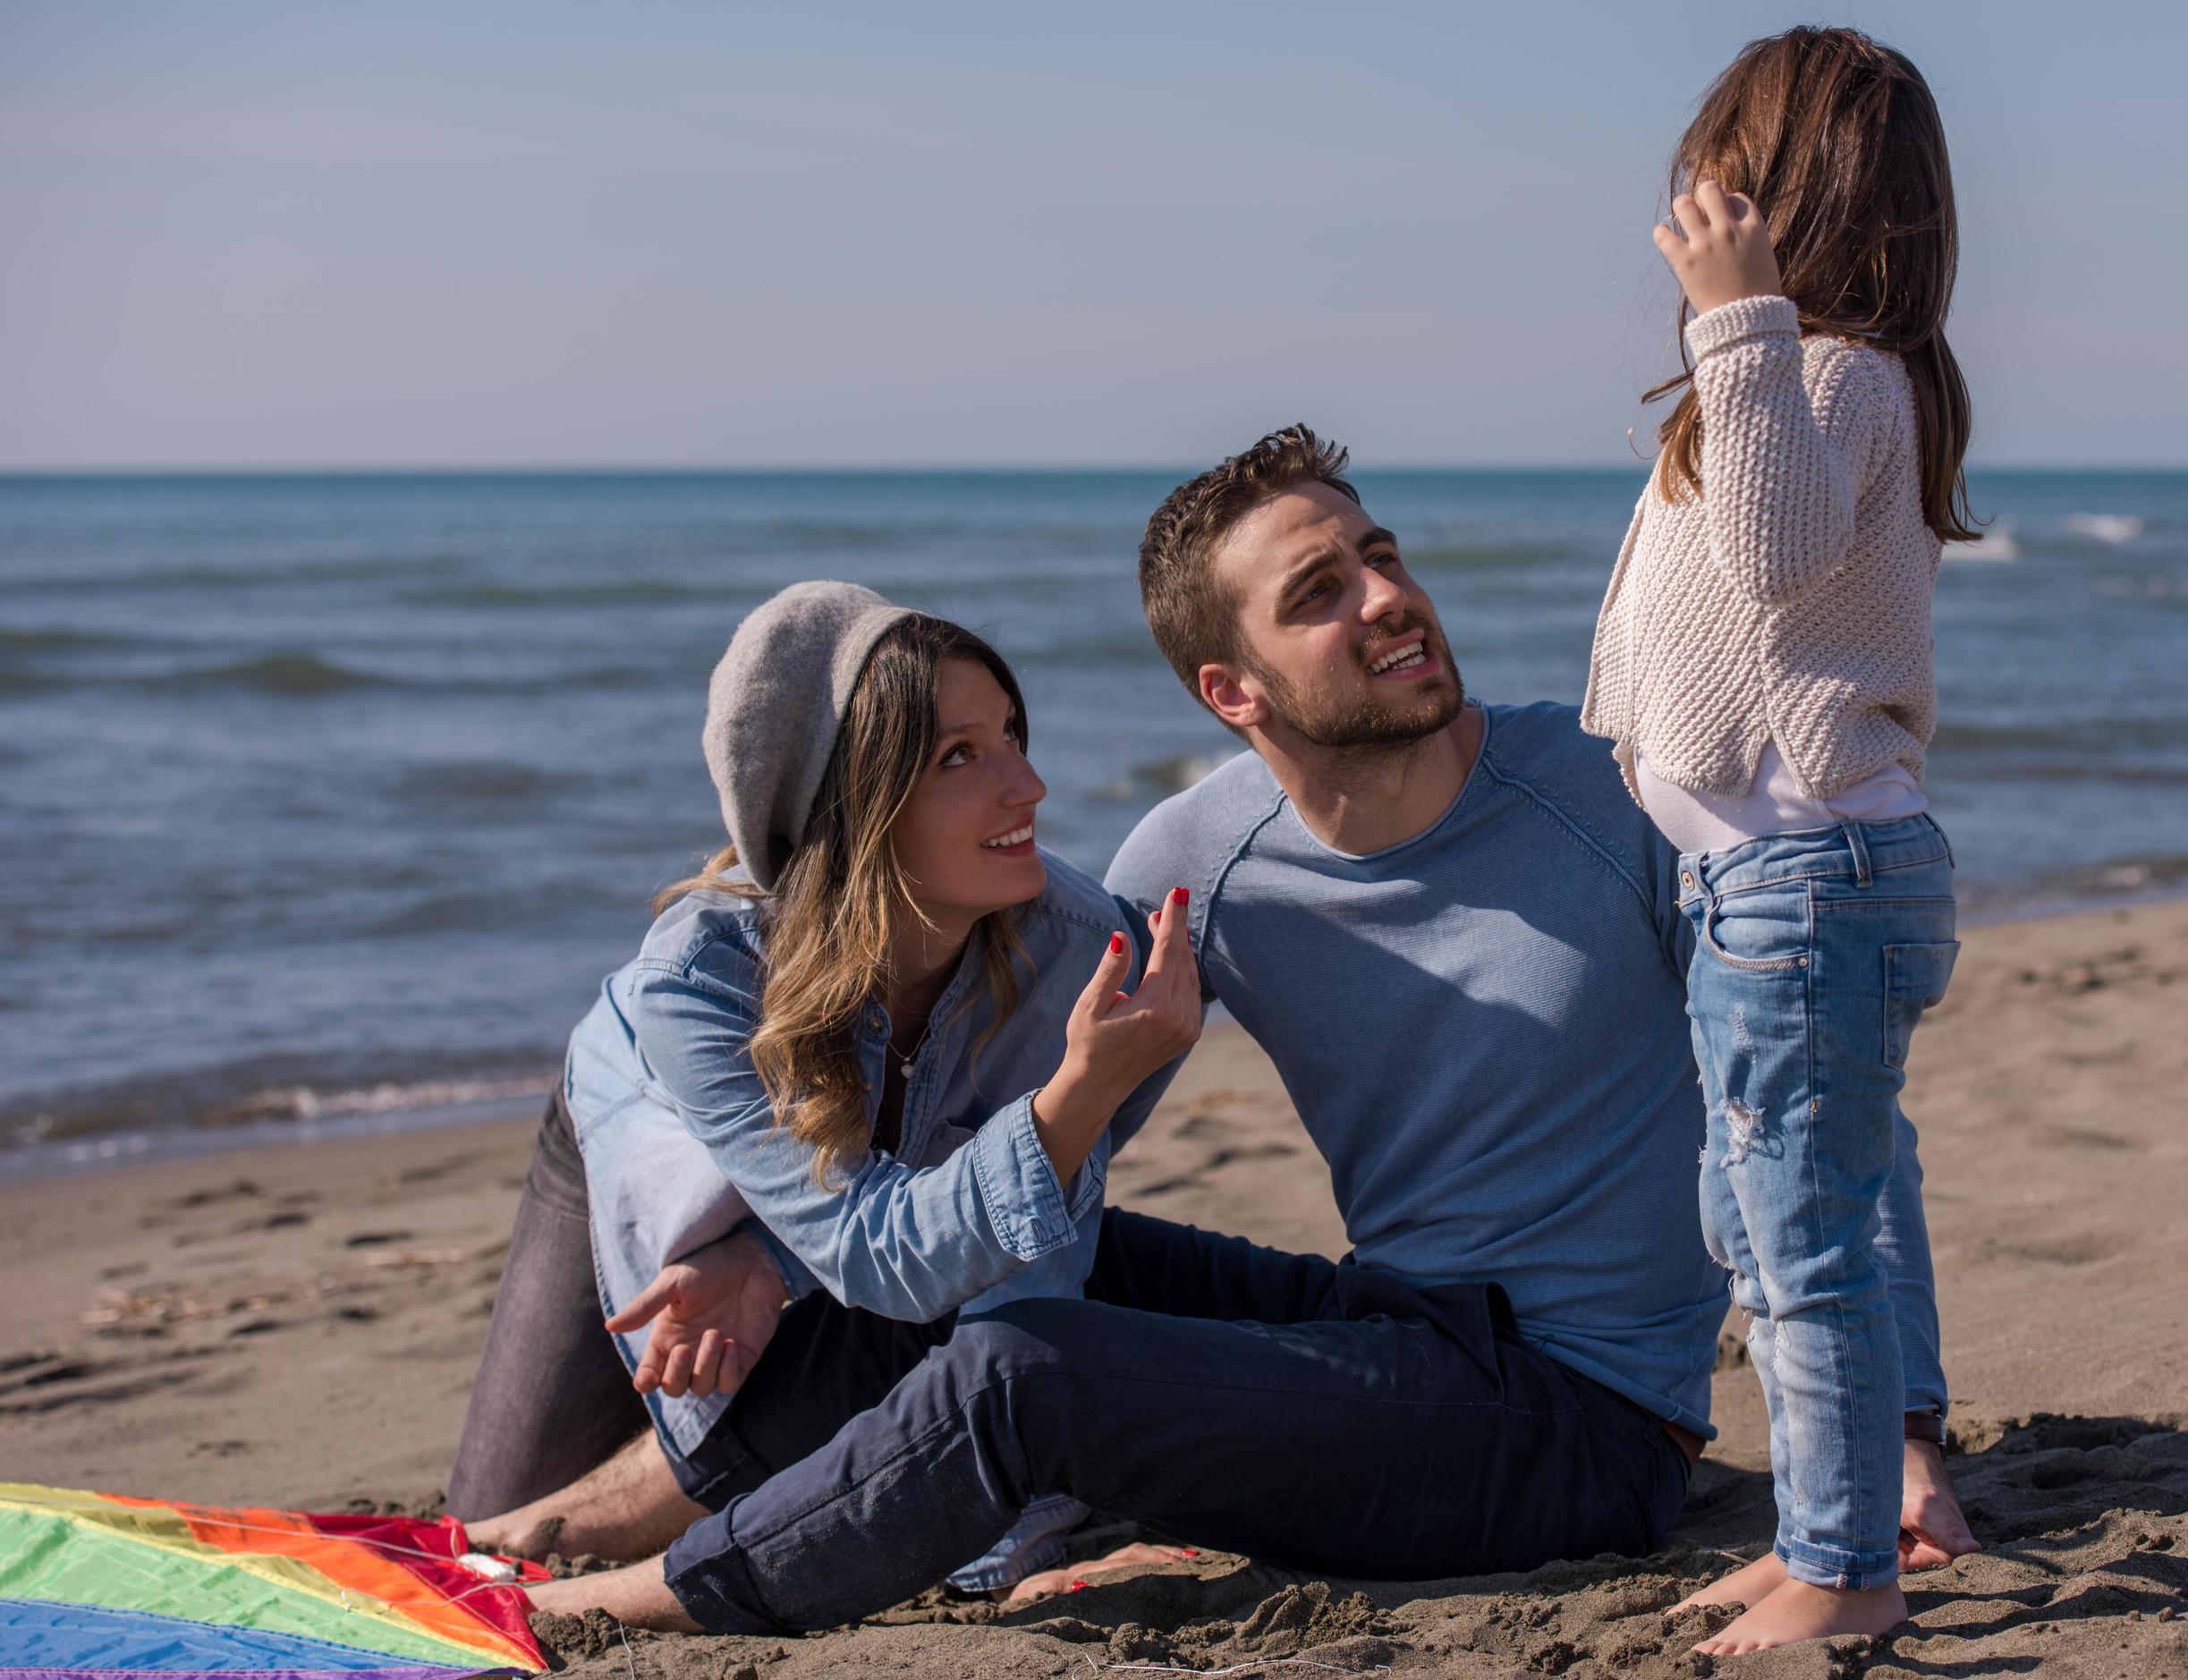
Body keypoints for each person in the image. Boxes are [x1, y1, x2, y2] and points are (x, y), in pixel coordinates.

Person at [522, 428, 1974, 1634]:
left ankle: (629, 1604)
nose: (1384, 598)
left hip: (1583, 1423)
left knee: (1031, 1372)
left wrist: (1895, 1428)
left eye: (1380, 556)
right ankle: (562, 1527)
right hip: (1395, 1336)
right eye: (1320, 592)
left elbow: (1826, 1103)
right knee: (1004, 1278)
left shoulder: (1623, 796)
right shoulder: (1195, 860)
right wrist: (765, 1257)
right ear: (1234, 692)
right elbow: (1023, 1139)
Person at [447, 582, 1199, 1594]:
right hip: (656, 1153)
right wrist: (768, 1246)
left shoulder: (1076, 946)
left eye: (1012, 734)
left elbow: (1032, 1237)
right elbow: (889, 1244)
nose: (1029, 785)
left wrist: (770, 1263)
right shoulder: (703, 975)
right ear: (855, 802)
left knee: (910, 1308)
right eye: (960, 757)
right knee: (491, 1530)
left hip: (867, 1227)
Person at [1583, 25, 1983, 1654]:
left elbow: (1768, 554)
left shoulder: (1815, 372)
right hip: (1774, 878)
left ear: (1790, 198)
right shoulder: (1809, 381)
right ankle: (1844, 1522)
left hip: (1802, 881)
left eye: (1726, 173)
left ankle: (1844, 1567)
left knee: (1798, 1239)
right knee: (1773, 1212)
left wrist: (1734, 319)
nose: (1693, 201)